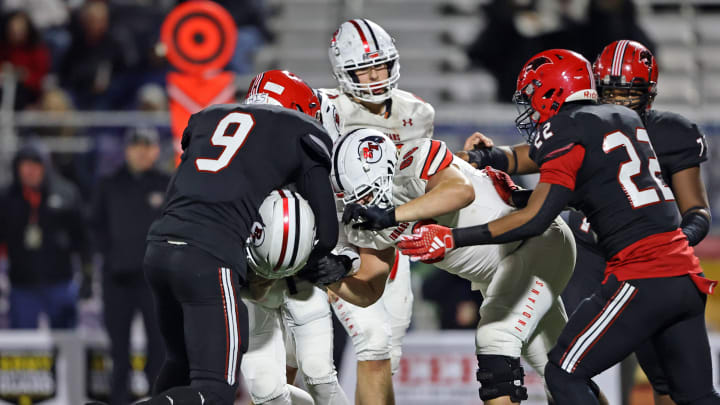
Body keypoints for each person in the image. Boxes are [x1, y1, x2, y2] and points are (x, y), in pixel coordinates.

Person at [398, 49, 720, 405]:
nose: (531, 109)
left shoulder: (569, 127)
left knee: (563, 373)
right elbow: (568, 181)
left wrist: (453, 237)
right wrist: (489, 161)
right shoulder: (624, 119)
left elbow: (536, 218)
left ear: (549, 91)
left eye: (532, 96)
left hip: (641, 275)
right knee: (698, 397)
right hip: (685, 274)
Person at [327, 128, 580, 404]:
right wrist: (332, 277)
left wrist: (391, 216)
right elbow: (370, 289)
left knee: (494, 338)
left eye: (362, 193)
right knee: (560, 375)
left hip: (535, 240)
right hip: (503, 272)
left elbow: (460, 191)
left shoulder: (416, 159)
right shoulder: (368, 220)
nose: (359, 202)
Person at [140, 70, 342, 405]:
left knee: (180, 364)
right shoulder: (301, 129)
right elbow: (326, 233)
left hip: (159, 247)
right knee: (215, 389)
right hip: (208, 258)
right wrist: (317, 265)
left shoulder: (208, 117)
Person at [315, 18, 433, 405]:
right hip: (338, 239)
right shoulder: (325, 109)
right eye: (364, 68)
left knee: (387, 353)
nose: (375, 76)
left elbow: (418, 177)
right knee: (366, 345)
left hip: (388, 239)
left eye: (380, 65)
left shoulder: (417, 113)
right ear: (343, 72)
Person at [90, 127, 168, 405]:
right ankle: (119, 400)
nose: (142, 151)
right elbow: (95, 226)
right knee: (119, 351)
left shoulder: (166, 183)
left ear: (156, 150)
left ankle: (158, 399)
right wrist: (110, 256)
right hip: (117, 280)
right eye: (136, 146)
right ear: (127, 150)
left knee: (159, 349)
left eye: (147, 146)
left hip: (154, 281)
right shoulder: (108, 183)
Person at [0, 142, 90, 329]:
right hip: (22, 285)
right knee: (23, 350)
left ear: (46, 166)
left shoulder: (66, 192)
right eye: (25, 165)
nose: (30, 171)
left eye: (36, 164)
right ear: (17, 168)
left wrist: (88, 275)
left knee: (67, 343)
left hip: (60, 282)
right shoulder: (6, 198)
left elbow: (83, 238)